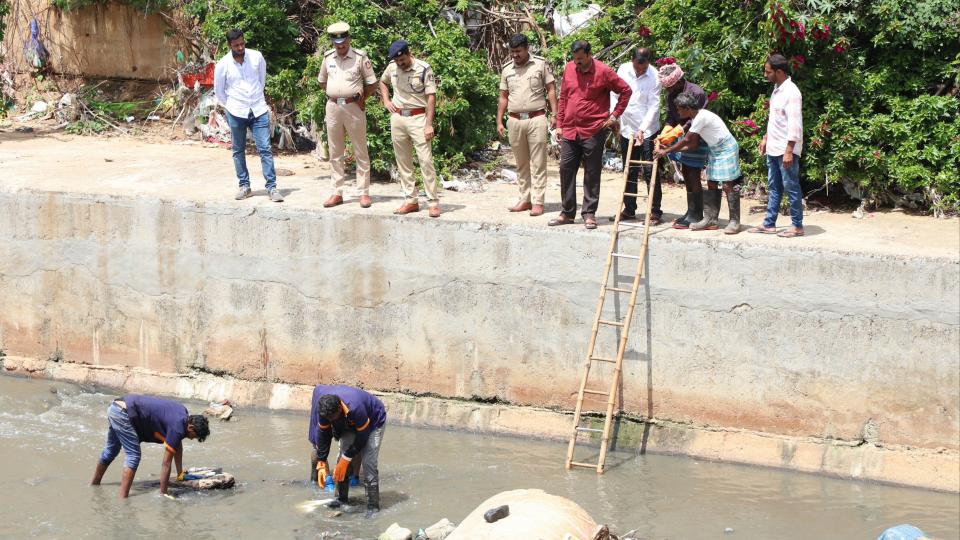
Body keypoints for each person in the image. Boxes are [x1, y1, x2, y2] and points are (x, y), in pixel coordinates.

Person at [550, 40, 632, 230]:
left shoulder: (603, 71)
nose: (577, 62)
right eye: (574, 58)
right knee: (566, 169)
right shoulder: (569, 68)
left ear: (589, 55)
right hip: (570, 129)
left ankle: (589, 213)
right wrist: (560, 125)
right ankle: (567, 212)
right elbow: (564, 98)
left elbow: (626, 91)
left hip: (593, 129)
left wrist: (614, 115)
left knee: (592, 172)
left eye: (580, 59)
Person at [91, 395, 210, 499]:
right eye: (195, 436)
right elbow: (166, 464)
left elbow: (177, 444)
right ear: (190, 428)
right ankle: (123, 499)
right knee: (134, 456)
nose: (193, 438)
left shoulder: (183, 413)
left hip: (116, 407)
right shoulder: (178, 428)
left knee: (111, 451)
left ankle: (94, 485)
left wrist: (180, 474)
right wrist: (163, 492)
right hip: (125, 413)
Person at [655, 92, 743, 233]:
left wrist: (666, 151)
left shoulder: (701, 117)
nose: (677, 112)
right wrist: (670, 150)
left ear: (687, 108)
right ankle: (710, 219)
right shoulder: (696, 118)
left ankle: (734, 222)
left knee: (728, 184)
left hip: (726, 148)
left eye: (679, 109)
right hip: (715, 149)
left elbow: (686, 140)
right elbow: (693, 145)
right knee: (712, 182)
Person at [214, 29, 283, 203]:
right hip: (236, 111)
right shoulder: (223, 64)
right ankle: (244, 186)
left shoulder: (256, 57)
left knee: (265, 148)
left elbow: (262, 80)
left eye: (242, 43)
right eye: (236, 45)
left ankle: (272, 187)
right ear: (229, 45)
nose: (240, 47)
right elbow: (219, 91)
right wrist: (231, 105)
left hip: (258, 109)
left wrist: (255, 99)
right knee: (238, 150)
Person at [317, 22, 379, 209]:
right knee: (335, 152)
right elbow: (322, 81)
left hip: (354, 107)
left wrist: (362, 99)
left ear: (349, 40)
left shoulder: (360, 57)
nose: (340, 47)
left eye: (343, 43)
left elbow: (372, 83)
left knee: (360, 150)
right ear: (333, 43)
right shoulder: (328, 58)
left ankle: (363, 193)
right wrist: (334, 93)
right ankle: (337, 192)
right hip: (334, 107)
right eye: (337, 44)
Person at [496, 33, 558, 217]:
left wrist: (555, 114)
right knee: (521, 163)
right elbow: (503, 97)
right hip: (514, 121)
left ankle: (538, 201)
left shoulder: (540, 64)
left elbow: (551, 90)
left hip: (536, 118)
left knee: (538, 162)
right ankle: (525, 199)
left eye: (518, 51)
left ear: (527, 48)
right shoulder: (507, 69)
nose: (515, 55)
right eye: (512, 52)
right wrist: (499, 120)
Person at [379, 40, 441, 217]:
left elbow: (431, 97)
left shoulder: (423, 68)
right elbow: (382, 82)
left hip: (419, 118)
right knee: (403, 161)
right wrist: (386, 101)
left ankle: (433, 202)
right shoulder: (392, 68)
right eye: (397, 61)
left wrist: (429, 124)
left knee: (425, 161)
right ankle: (411, 200)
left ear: (409, 53)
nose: (400, 63)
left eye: (403, 60)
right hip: (398, 118)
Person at [308, 384, 387, 518]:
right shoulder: (324, 410)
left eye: (332, 418)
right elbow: (323, 433)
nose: (330, 421)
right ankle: (341, 499)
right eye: (329, 419)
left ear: (339, 408)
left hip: (373, 423)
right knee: (340, 463)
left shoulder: (355, 407)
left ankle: (373, 506)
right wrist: (321, 461)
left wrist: (348, 457)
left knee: (368, 463)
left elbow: (363, 435)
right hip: (348, 422)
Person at [751, 53, 804, 237]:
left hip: (785, 150)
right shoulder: (777, 89)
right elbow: (775, 120)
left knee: (791, 186)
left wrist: (789, 151)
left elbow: (794, 125)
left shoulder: (792, 92)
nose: (765, 75)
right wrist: (765, 138)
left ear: (779, 71)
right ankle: (769, 223)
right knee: (774, 186)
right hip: (773, 148)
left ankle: (797, 226)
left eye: (768, 72)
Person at [610, 48, 662, 224]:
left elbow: (654, 106)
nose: (640, 71)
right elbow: (614, 93)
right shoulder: (623, 69)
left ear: (648, 62)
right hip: (626, 126)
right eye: (637, 67)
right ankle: (629, 208)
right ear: (632, 60)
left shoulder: (655, 76)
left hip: (647, 129)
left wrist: (643, 128)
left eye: (643, 67)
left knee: (649, 170)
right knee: (629, 168)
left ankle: (655, 212)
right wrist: (613, 116)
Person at [658, 63, 708, 229]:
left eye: (670, 87)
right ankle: (691, 211)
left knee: (693, 172)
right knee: (686, 171)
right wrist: (666, 131)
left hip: (697, 136)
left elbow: (695, 118)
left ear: (679, 82)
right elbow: (671, 118)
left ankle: (696, 214)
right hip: (683, 136)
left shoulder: (696, 93)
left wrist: (678, 131)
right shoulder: (672, 95)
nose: (668, 91)